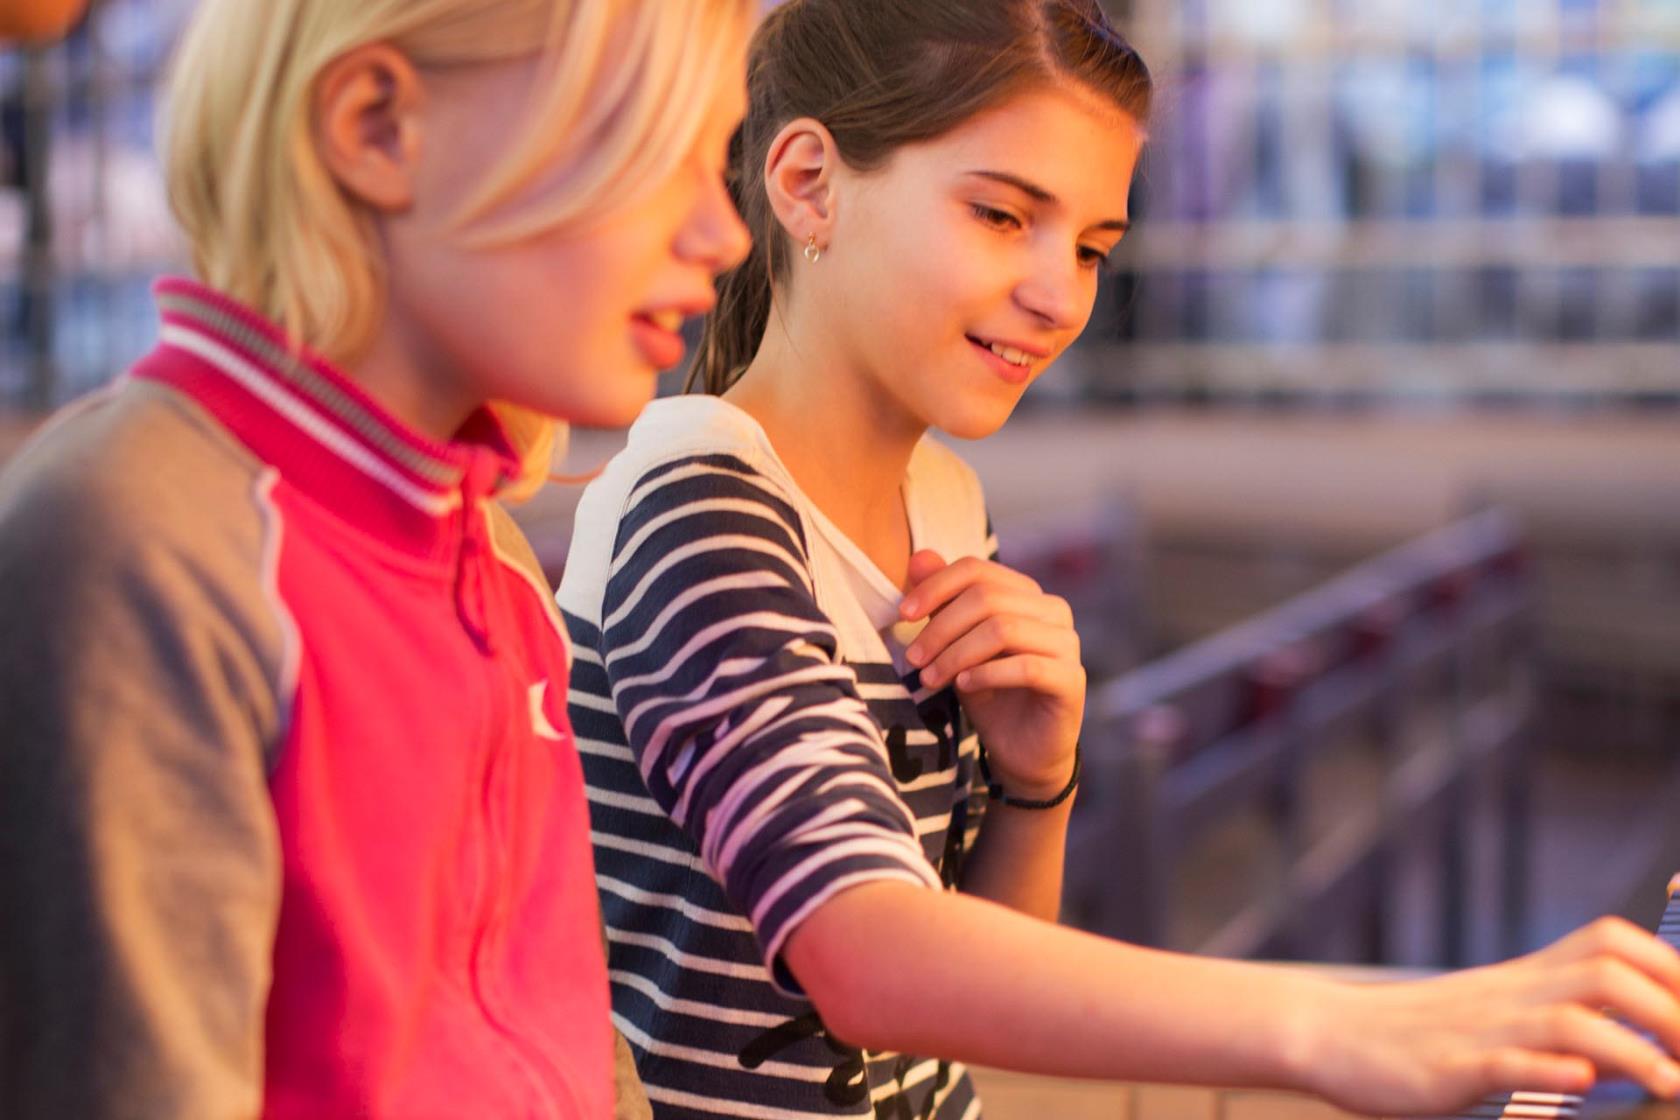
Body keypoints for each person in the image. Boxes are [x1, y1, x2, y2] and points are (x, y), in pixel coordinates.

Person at [556, 1, 1680, 1117]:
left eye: (1093, 247)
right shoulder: (700, 504)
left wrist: (1036, 782)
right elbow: (867, 960)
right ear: (807, 183)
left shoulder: (939, 499)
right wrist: (1342, 1022)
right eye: (1003, 216)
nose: (1059, 297)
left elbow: (967, 985)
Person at [0, 0, 752, 1115]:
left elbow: (579, 1049)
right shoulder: (142, 539)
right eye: (655, 150)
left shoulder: (492, 552)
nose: (723, 234)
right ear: (376, 126)